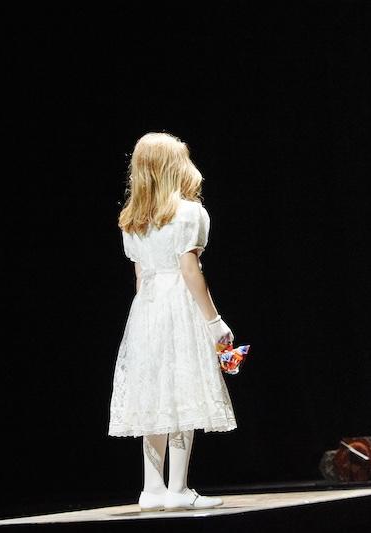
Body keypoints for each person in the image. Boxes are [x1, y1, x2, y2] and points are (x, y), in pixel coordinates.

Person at [108, 132, 237, 510]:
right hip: (178, 304)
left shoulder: (132, 220)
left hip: (146, 308)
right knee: (182, 390)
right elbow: (189, 269)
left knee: (154, 396)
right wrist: (214, 323)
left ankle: (151, 489)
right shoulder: (189, 213)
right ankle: (178, 489)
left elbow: (140, 277)